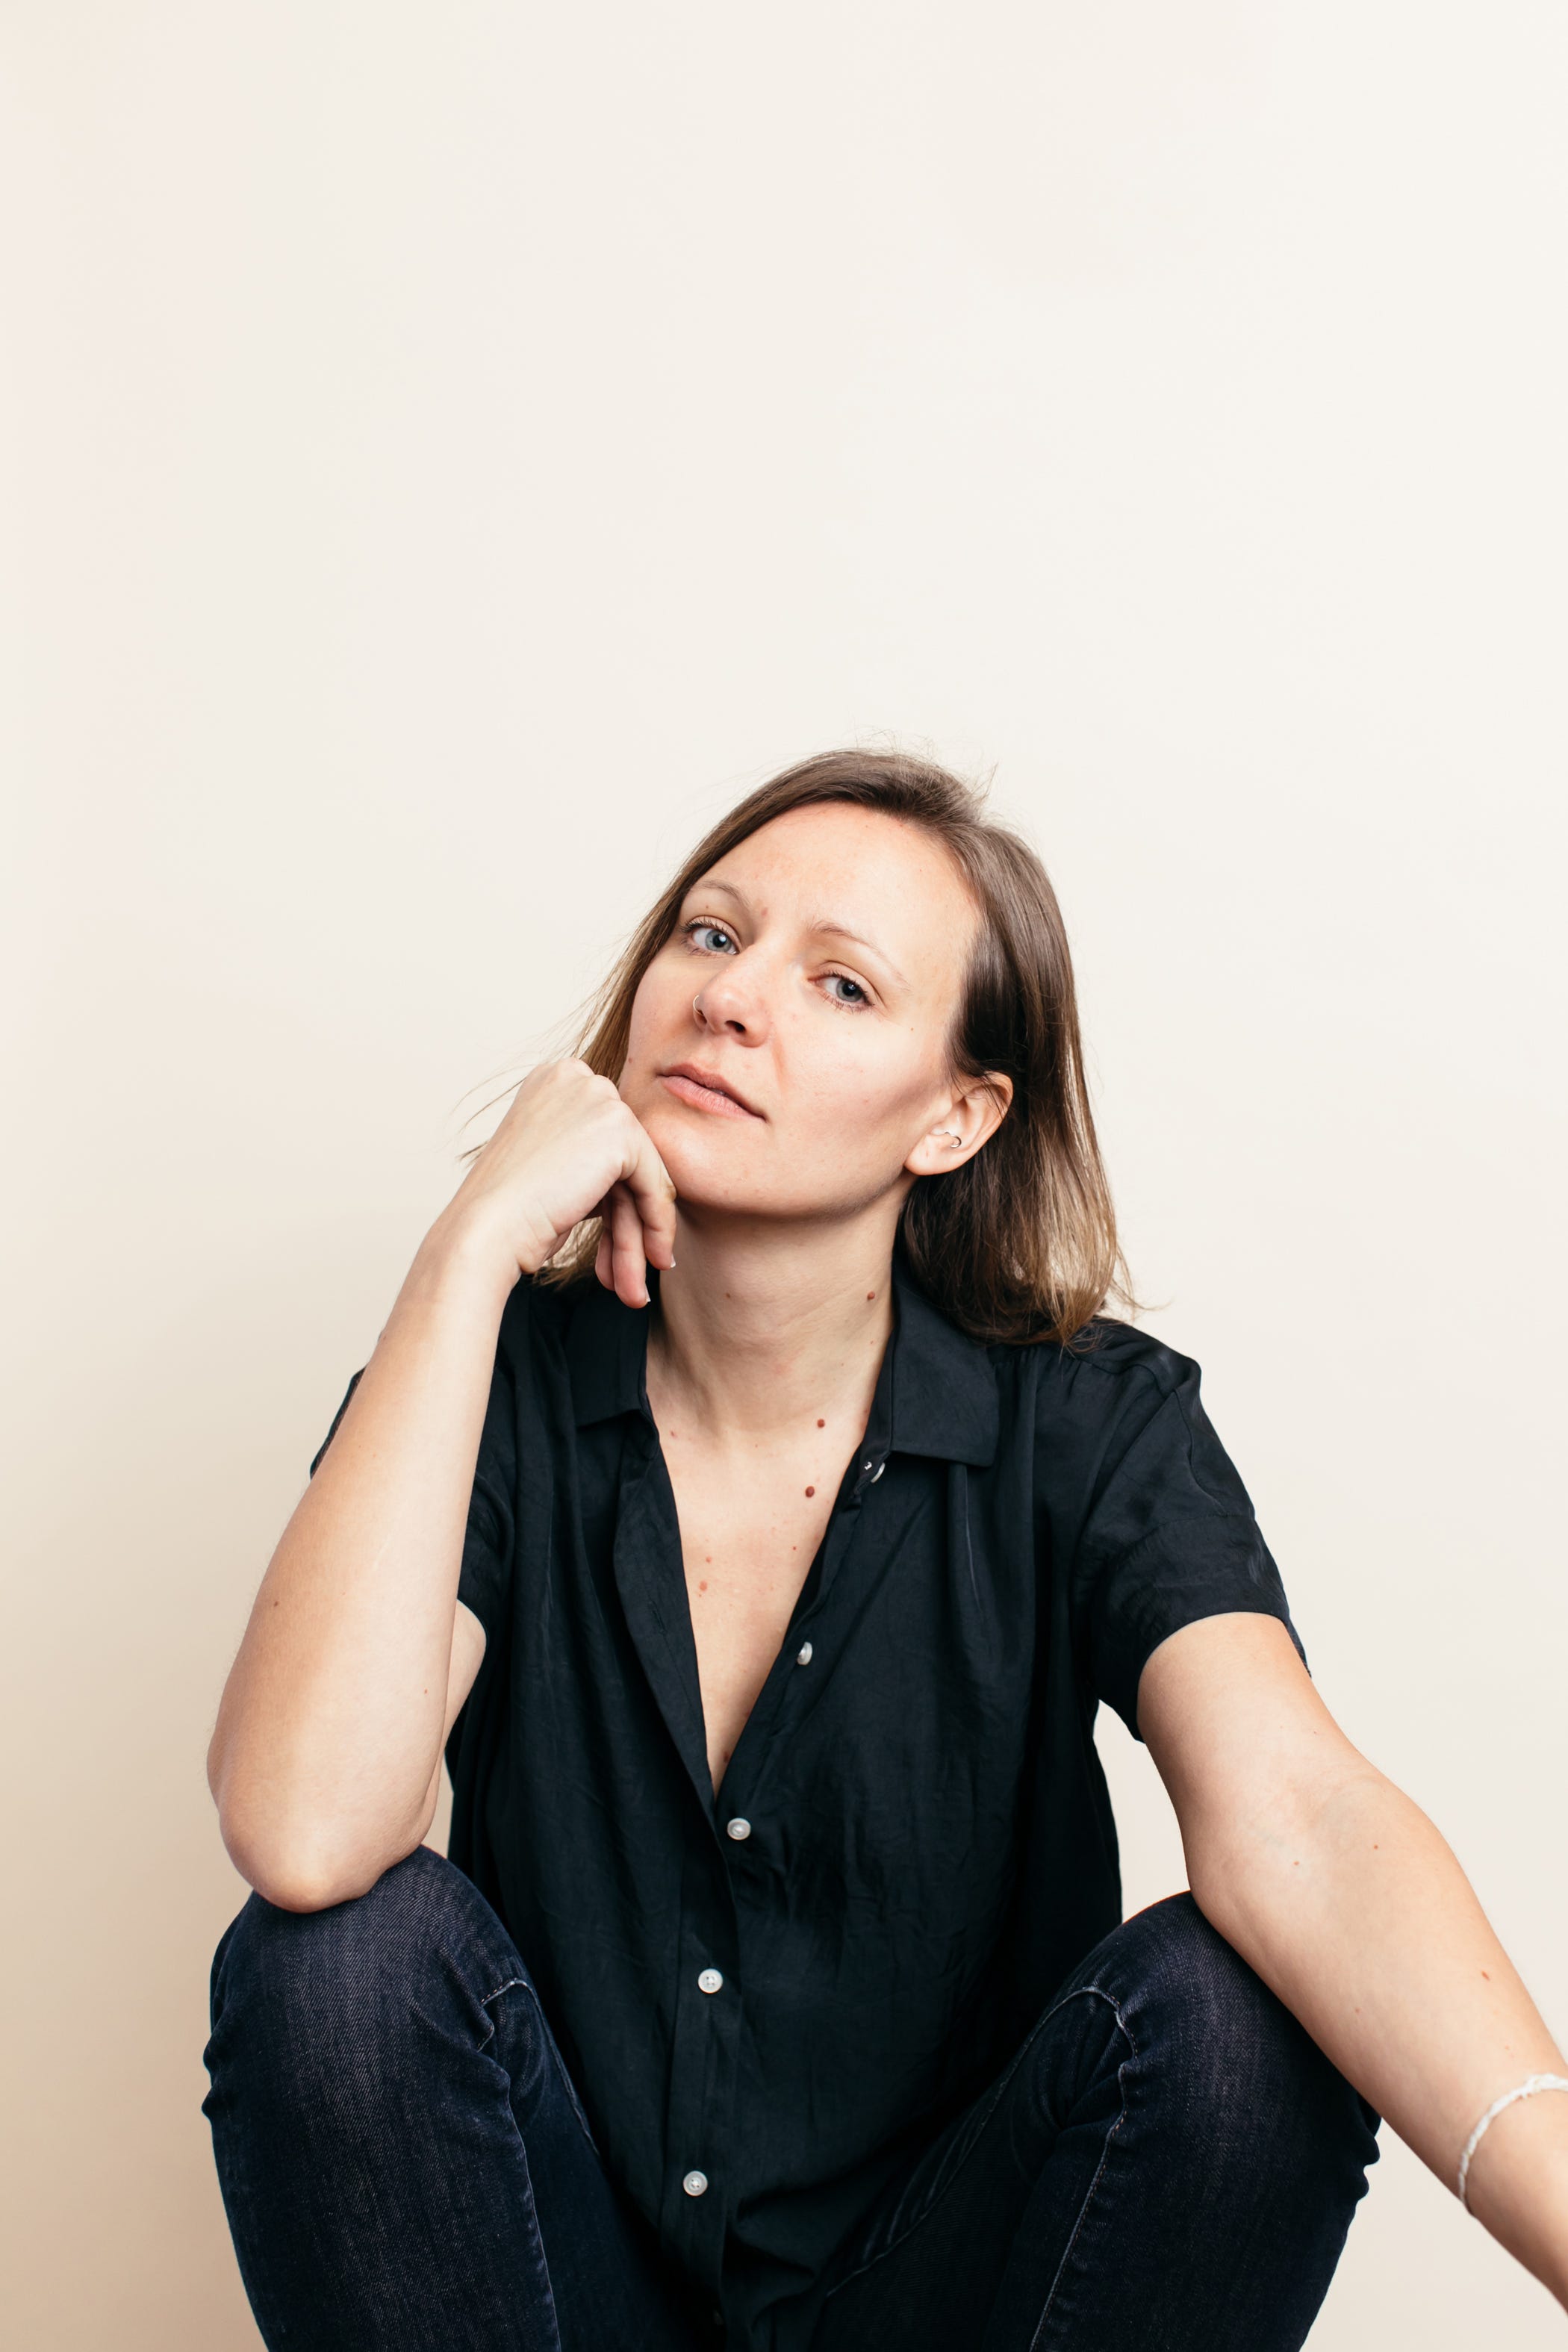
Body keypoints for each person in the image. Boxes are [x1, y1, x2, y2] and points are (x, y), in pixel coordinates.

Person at [202, 748, 1568, 2352]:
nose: (731, 998)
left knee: (1241, 2019)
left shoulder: (1087, 1425)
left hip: (956, 2302)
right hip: (558, 2303)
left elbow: (1308, 1819)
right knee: (338, 1968)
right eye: (711, 936)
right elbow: (303, 1833)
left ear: (957, 1115)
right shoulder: (485, 1391)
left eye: (841, 984)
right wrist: (469, 1253)